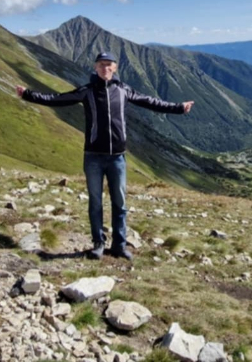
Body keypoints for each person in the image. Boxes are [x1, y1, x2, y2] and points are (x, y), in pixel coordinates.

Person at [15, 51, 193, 260]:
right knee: (96, 203)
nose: (105, 68)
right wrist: (28, 94)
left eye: (109, 64)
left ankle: (119, 245)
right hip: (93, 157)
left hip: (117, 157)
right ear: (95, 68)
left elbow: (150, 102)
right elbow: (58, 99)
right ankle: (98, 244)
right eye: (101, 65)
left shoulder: (124, 90)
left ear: (115, 68)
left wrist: (178, 108)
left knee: (120, 203)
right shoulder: (87, 91)